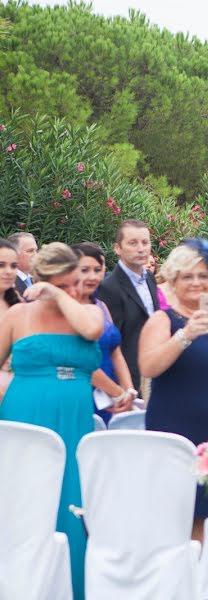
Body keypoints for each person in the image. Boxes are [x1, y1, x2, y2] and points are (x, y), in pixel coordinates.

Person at [0, 242, 104, 600]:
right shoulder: (17, 316)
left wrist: (60, 297)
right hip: (27, 413)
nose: (76, 289)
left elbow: (92, 332)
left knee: (71, 497)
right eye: (66, 284)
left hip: (74, 419)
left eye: (76, 282)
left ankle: (72, 587)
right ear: (43, 280)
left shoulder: (88, 313)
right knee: (27, 498)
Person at [139, 240, 208, 542]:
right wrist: (184, 336)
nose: (196, 283)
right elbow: (148, 367)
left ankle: (197, 581)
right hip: (174, 432)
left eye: (203, 276)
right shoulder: (163, 321)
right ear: (173, 280)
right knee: (172, 516)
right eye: (188, 276)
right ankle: (172, 581)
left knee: (201, 515)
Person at [72, 242, 136, 424]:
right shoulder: (67, 311)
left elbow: (116, 353)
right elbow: (80, 361)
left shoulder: (102, 306)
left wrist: (129, 391)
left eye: (97, 269)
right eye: (84, 270)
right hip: (83, 390)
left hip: (112, 394)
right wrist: (117, 393)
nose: (92, 276)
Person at [96, 220, 160, 390]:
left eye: (145, 242)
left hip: (154, 371)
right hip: (128, 378)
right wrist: (123, 386)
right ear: (118, 248)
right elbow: (111, 342)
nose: (141, 248)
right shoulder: (109, 287)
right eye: (133, 243)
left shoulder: (150, 279)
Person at [0, 239, 20, 402]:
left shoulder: (18, 303)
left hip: (17, 388)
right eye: (1, 265)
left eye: (13, 266)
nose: (8, 271)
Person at [9, 231, 37, 296]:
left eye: (36, 250)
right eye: (30, 251)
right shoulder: (7, 282)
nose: (36, 255)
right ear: (14, 253)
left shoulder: (37, 281)